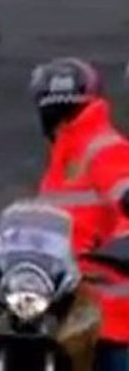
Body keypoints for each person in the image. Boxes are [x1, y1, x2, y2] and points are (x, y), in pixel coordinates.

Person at [29, 58, 129, 370]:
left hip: (110, 310)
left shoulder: (104, 148)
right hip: (62, 300)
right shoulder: (63, 159)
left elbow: (125, 192)